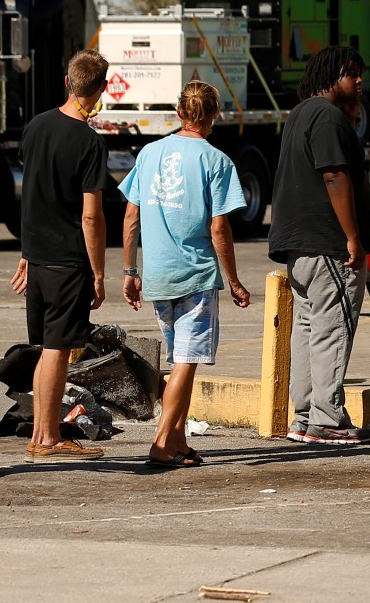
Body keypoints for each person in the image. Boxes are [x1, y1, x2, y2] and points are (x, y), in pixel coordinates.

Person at [120, 81, 252, 467]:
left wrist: (131, 270)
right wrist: (234, 280)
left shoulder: (149, 153)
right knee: (185, 362)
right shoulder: (216, 161)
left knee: (181, 361)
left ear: (179, 113)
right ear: (213, 116)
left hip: (159, 275)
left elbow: (131, 216)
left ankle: (178, 440)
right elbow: (219, 229)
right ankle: (162, 442)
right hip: (195, 275)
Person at [269, 46, 370, 445]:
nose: (359, 79)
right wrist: (352, 236)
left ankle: (304, 416)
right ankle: (327, 418)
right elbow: (334, 175)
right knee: (333, 328)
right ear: (330, 75)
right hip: (328, 243)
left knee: (308, 328)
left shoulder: (301, 113)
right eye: (351, 72)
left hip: (298, 246)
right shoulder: (329, 117)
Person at [11, 49, 110, 462]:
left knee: (47, 347)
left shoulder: (35, 127)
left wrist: (25, 252)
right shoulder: (88, 141)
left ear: (68, 83)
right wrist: (99, 271)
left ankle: (40, 435)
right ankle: (49, 439)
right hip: (68, 260)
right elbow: (91, 216)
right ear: (101, 89)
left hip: (36, 257)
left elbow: (30, 193)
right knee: (57, 349)